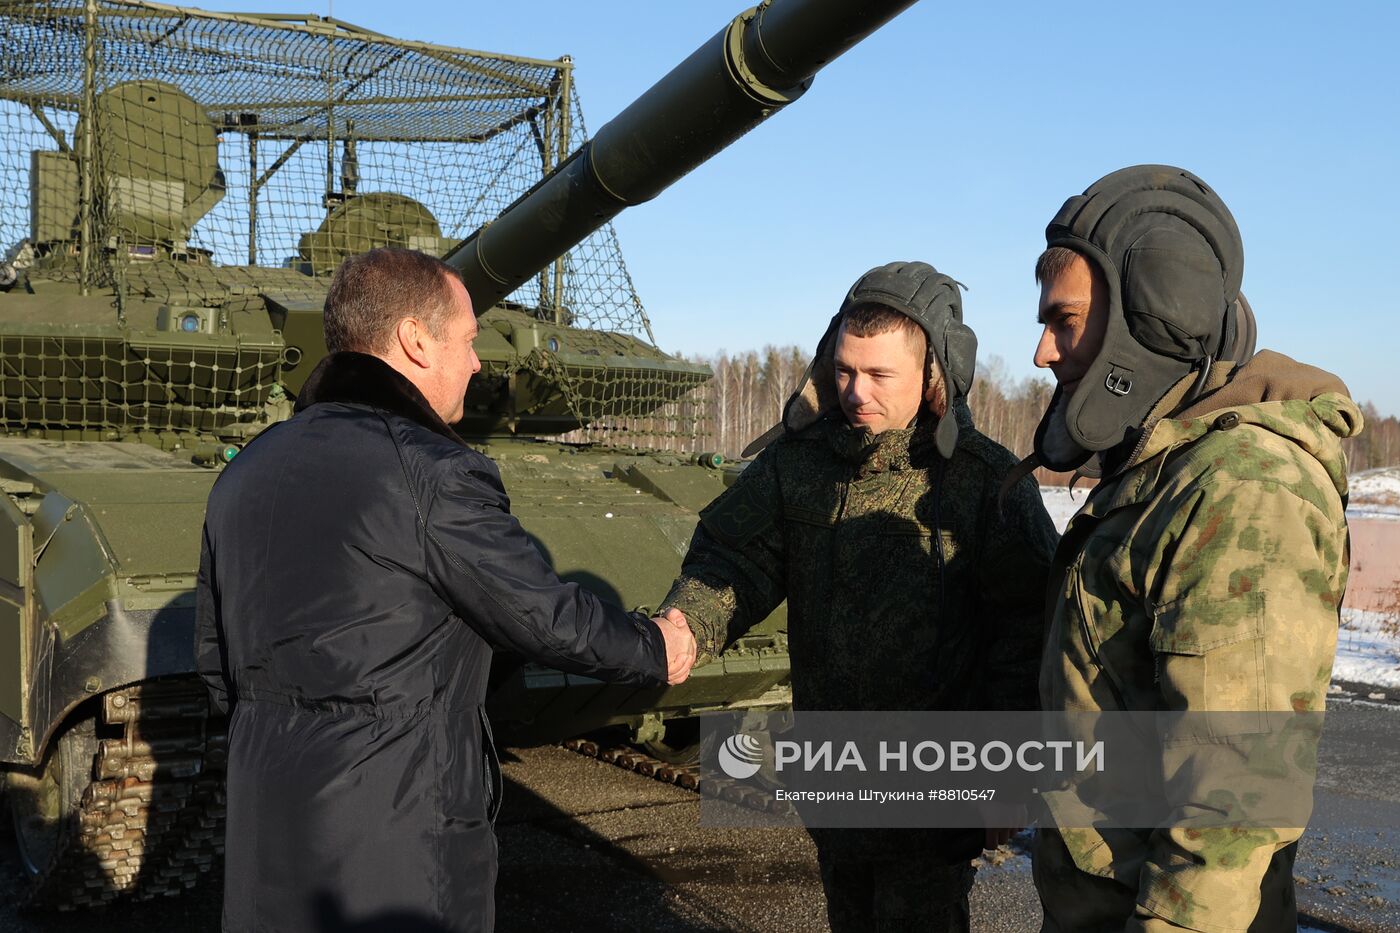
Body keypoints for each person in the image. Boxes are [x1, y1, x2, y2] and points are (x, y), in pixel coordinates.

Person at [195, 246, 696, 933]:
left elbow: (215, 660)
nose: (478, 362)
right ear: (414, 341)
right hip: (395, 835)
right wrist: (653, 644)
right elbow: (541, 611)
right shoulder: (432, 472)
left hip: (266, 830)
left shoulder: (245, 472)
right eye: (467, 340)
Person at [661, 261, 1058, 932]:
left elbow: (1027, 632)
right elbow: (736, 556)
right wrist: (688, 620)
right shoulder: (800, 465)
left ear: (933, 375)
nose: (855, 392)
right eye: (844, 370)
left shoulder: (984, 483)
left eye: (879, 375)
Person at [1025, 165, 1363, 932]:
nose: (1043, 351)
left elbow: (1230, 802)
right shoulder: (1163, 472)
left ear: (1150, 316)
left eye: (1065, 320)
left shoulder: (1243, 486)